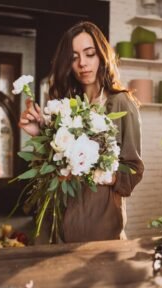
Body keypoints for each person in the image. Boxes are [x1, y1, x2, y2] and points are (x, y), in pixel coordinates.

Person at [19, 21, 144, 243]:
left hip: (98, 226)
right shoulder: (65, 104)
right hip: (55, 222)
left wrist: (99, 172)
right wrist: (39, 133)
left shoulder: (120, 103)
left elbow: (134, 169)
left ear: (102, 56)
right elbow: (53, 165)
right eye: (74, 57)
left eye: (90, 54)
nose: (82, 63)